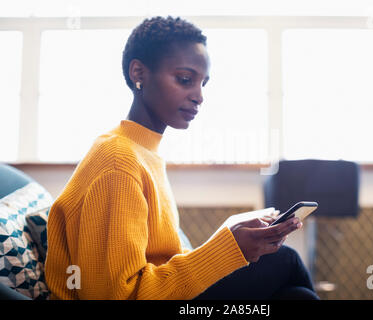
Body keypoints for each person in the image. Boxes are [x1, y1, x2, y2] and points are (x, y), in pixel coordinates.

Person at [45, 16, 319, 300]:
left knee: (297, 296)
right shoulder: (118, 160)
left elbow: (162, 260)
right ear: (139, 73)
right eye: (185, 80)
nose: (199, 96)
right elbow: (115, 295)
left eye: (203, 83)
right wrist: (226, 251)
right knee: (285, 261)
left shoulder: (143, 151)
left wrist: (232, 240)